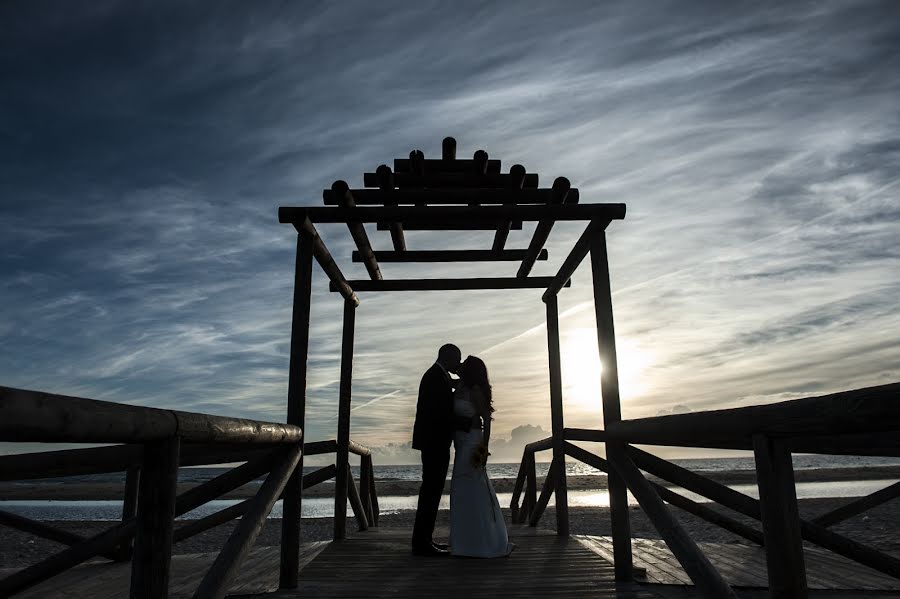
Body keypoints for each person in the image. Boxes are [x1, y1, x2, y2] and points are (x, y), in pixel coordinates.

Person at [449, 356, 513, 557]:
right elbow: (449, 376)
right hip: (459, 442)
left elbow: (486, 419)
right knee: (461, 488)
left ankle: (481, 541)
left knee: (470, 486)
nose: (461, 364)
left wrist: (484, 447)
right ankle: (464, 539)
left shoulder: (475, 390)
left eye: (465, 362)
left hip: (472, 442)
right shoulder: (459, 386)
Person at [411, 343, 463, 556]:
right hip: (434, 442)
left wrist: (464, 379)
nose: (458, 364)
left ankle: (424, 539)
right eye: (457, 360)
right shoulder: (435, 377)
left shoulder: (438, 375)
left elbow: (451, 385)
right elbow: (441, 412)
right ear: (448, 358)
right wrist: (464, 424)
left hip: (434, 442)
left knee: (431, 491)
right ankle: (422, 543)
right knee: (431, 492)